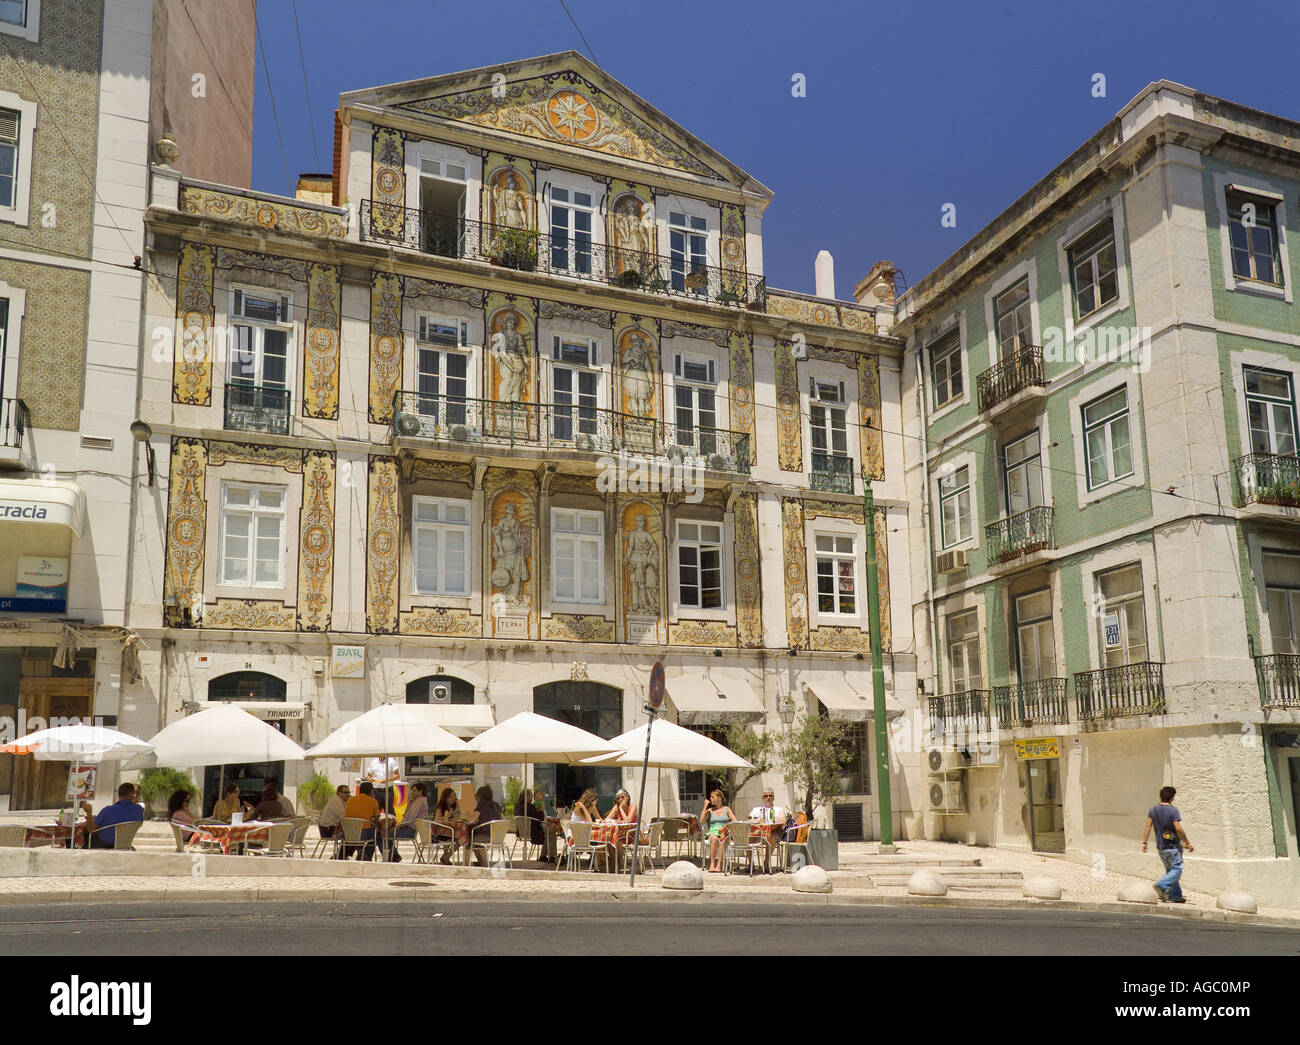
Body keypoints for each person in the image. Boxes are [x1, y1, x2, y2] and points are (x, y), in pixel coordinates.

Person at [1143, 785, 1194, 903]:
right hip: (1173, 846)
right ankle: (1161, 885)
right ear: (1172, 797)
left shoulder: (1153, 810)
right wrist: (1186, 842)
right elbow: (1178, 829)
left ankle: (1175, 896)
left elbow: (1148, 826)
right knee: (1177, 869)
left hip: (1161, 847)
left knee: (1170, 870)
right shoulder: (1173, 810)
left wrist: (1144, 842)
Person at [83, 783, 145, 849]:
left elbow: (90, 829)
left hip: (104, 845)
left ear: (119, 794)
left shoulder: (107, 810)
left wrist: (89, 813)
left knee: (85, 833)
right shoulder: (139, 810)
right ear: (132, 794)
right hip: (124, 845)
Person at [386, 782, 429, 863]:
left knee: (384, 834)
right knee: (385, 833)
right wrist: (409, 804)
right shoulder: (415, 801)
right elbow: (405, 815)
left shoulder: (420, 802)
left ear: (421, 791)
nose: (412, 792)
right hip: (406, 827)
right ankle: (394, 855)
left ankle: (394, 855)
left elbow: (410, 818)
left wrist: (399, 826)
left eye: (414, 790)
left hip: (409, 830)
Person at [342, 781, 382, 861]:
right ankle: (366, 855)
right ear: (371, 791)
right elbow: (377, 818)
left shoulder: (351, 800)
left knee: (371, 834)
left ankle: (362, 853)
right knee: (378, 835)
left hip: (349, 833)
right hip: (364, 834)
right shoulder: (372, 801)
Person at [700, 790, 737, 873]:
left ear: (719, 798)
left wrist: (727, 826)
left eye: (712, 797)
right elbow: (702, 821)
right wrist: (705, 807)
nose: (710, 799)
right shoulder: (710, 811)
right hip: (712, 833)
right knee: (715, 838)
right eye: (710, 797)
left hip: (724, 832)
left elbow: (735, 821)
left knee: (722, 838)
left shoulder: (727, 809)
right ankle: (712, 864)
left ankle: (719, 865)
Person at [468, 785, 503, 866]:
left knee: (470, 839)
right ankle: (481, 862)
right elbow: (503, 820)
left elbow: (470, 820)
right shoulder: (497, 805)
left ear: (480, 796)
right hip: (497, 837)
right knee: (475, 839)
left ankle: (484, 863)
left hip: (485, 836)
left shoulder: (481, 805)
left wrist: (467, 815)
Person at [514, 788, 550, 860]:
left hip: (521, 832)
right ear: (527, 796)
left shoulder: (517, 806)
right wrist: (542, 810)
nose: (532, 798)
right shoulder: (530, 807)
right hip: (533, 833)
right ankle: (547, 856)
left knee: (548, 831)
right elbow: (540, 818)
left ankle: (543, 855)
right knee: (549, 832)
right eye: (531, 796)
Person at [432, 787, 462, 864]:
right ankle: (446, 857)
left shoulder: (453, 807)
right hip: (439, 833)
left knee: (462, 840)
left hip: (450, 832)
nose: (453, 798)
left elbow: (458, 818)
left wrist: (458, 807)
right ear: (445, 798)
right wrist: (447, 816)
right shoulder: (441, 808)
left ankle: (446, 856)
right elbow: (436, 820)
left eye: (454, 796)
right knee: (459, 839)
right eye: (450, 797)